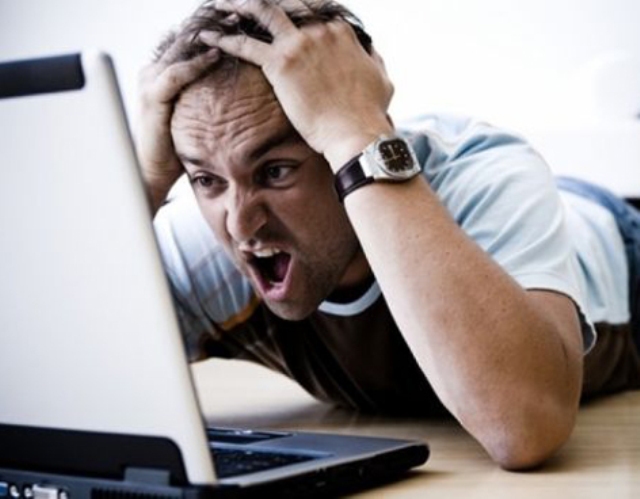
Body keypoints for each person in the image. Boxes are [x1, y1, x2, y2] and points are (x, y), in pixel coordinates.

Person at [136, 0, 640, 470]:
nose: (240, 225)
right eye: (206, 179)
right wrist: (141, 182)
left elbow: (525, 428)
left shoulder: (485, 176)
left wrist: (357, 132)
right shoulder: (204, 248)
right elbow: (86, 392)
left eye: (275, 171)